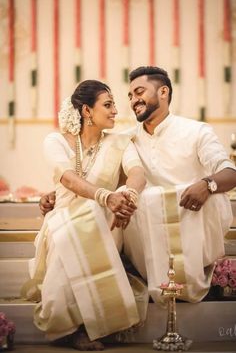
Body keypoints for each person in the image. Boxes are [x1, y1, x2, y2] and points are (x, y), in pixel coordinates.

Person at [39, 67, 236, 304]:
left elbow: (230, 172)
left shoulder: (196, 131)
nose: (132, 101)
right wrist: (59, 193)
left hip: (190, 220)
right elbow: (108, 176)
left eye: (139, 92)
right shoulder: (127, 138)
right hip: (147, 226)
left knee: (211, 196)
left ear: (163, 92)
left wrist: (207, 184)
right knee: (124, 199)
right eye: (130, 96)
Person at [23, 80, 148, 351]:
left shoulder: (119, 142)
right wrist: (106, 196)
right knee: (69, 235)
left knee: (94, 225)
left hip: (105, 221)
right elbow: (68, 179)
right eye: (108, 104)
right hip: (63, 220)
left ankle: (92, 326)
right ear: (86, 111)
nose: (116, 110)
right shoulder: (56, 141)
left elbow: (137, 172)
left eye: (114, 104)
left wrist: (130, 196)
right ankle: (70, 328)